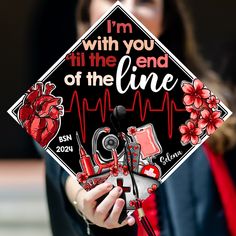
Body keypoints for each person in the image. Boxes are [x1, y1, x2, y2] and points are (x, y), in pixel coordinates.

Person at [43, 0, 236, 235]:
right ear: (87, 15)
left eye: (145, 1)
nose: (129, 10)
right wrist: (85, 200)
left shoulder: (207, 104)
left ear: (165, 19)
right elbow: (65, 171)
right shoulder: (59, 106)